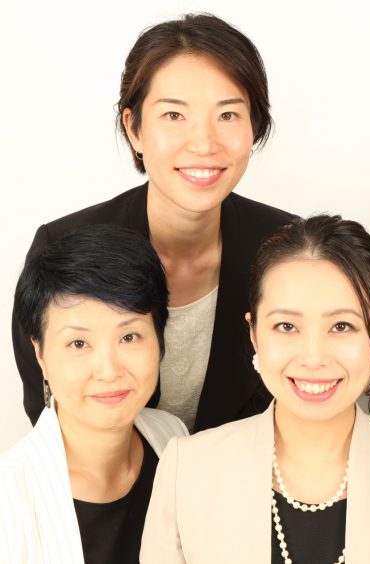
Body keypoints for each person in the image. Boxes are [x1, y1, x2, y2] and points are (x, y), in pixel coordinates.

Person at [12, 13, 294, 433]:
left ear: (254, 126)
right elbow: (49, 411)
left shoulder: (290, 250)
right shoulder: (62, 247)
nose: (203, 143)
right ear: (134, 128)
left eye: (228, 115)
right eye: (174, 115)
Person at [140, 215, 370, 563]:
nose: (313, 358)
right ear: (254, 334)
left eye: (341, 326)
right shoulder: (187, 470)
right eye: (286, 326)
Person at [0, 224, 188, 563]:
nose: (108, 371)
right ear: (40, 354)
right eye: (78, 343)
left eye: (129, 337)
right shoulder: (10, 498)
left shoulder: (173, 438)